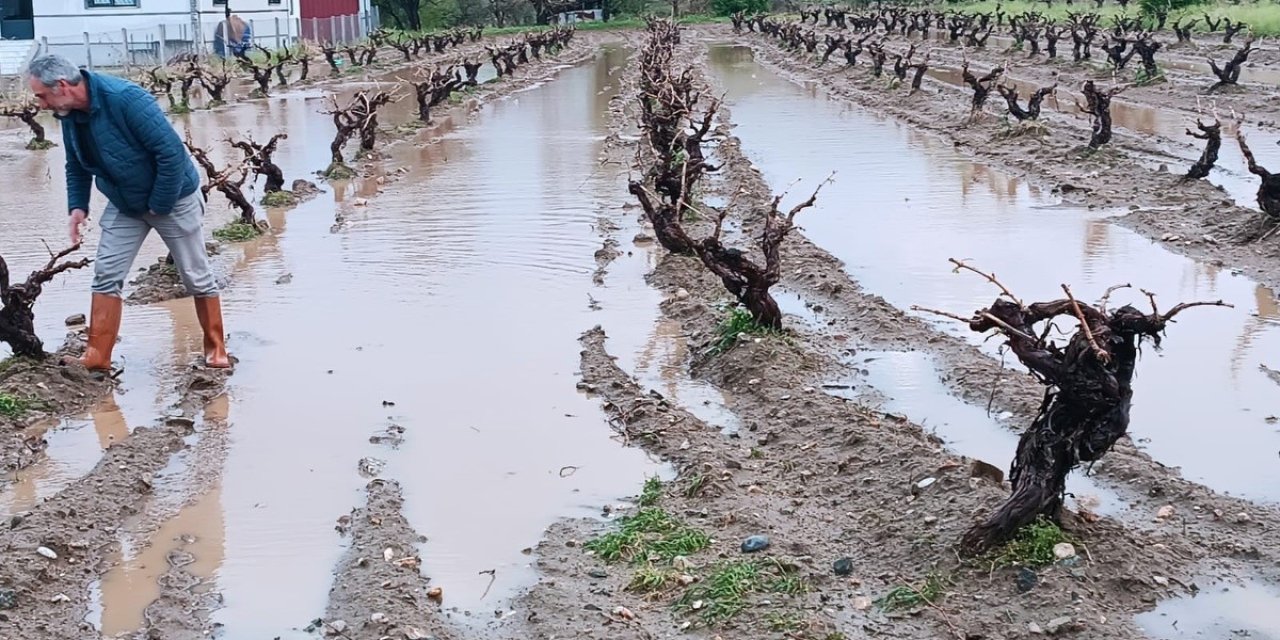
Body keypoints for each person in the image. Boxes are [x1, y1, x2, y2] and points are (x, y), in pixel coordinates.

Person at [25, 54, 231, 371]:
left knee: (195, 274)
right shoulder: (69, 114)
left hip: (173, 197)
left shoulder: (125, 99)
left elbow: (171, 155)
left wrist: (159, 205)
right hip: (125, 202)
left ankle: (216, 350)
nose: (40, 104)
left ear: (62, 86)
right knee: (106, 272)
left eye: (41, 95)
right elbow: (75, 164)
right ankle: (97, 356)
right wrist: (77, 207)